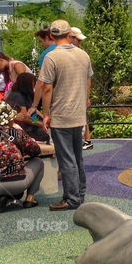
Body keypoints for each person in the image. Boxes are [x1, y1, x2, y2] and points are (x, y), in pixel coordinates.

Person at [39, 20, 93, 212]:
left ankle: (71, 199)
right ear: (70, 34)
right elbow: (88, 83)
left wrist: (46, 114)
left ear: (52, 36)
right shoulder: (83, 55)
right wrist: (84, 102)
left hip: (60, 115)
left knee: (66, 158)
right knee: (78, 157)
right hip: (78, 114)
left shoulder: (51, 58)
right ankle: (80, 193)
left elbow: (46, 88)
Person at [0, 101, 44, 210]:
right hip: (17, 183)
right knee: (38, 161)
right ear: (10, 119)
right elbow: (36, 151)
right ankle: (29, 199)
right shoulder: (18, 133)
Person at [3, 72, 48, 142]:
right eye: (34, 83)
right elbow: (25, 118)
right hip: (22, 130)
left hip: (29, 128)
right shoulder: (17, 96)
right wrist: (41, 124)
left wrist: (42, 120)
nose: (34, 85)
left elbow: (31, 114)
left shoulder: (26, 95)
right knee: (46, 135)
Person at [69, 27, 93, 150]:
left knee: (81, 118)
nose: (80, 42)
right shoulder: (80, 55)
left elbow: (88, 79)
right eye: (78, 40)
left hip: (78, 95)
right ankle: (87, 140)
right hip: (76, 94)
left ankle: (86, 140)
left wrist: (87, 97)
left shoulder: (82, 55)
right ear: (70, 38)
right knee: (82, 117)